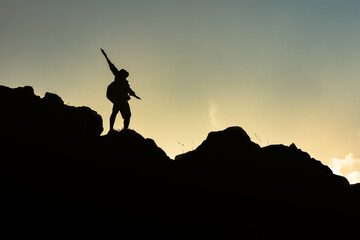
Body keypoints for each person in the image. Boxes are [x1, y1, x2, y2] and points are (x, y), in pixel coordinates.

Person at [101, 48, 141, 132]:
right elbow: (111, 65)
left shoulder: (124, 82)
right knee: (115, 113)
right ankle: (111, 129)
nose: (126, 76)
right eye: (125, 75)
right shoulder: (118, 76)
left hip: (122, 98)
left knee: (127, 115)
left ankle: (124, 130)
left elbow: (129, 90)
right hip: (118, 98)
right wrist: (105, 56)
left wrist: (135, 95)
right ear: (123, 74)